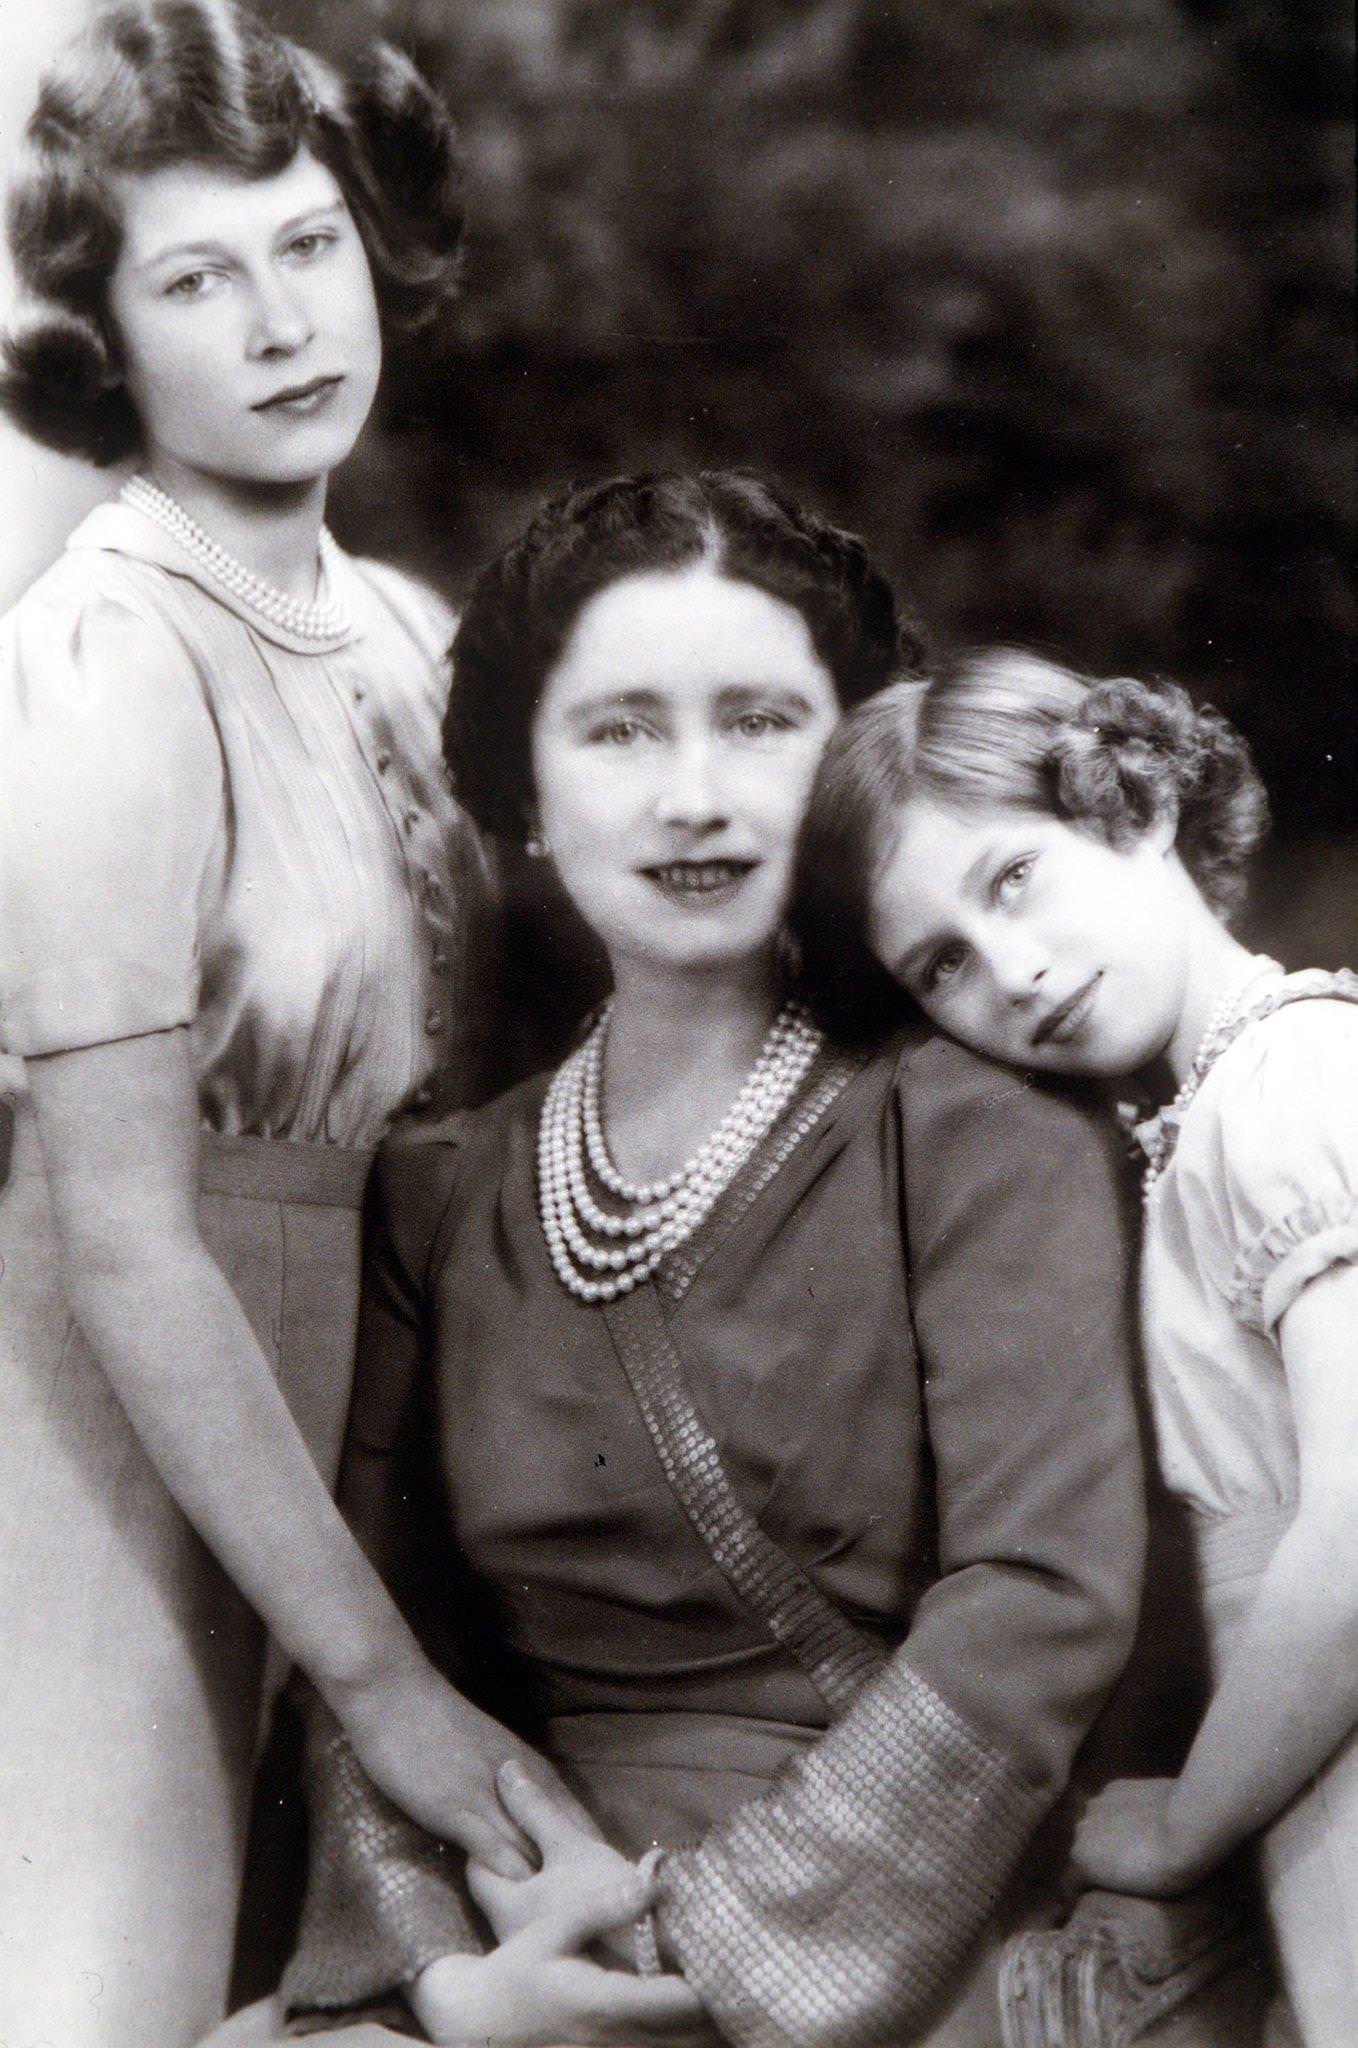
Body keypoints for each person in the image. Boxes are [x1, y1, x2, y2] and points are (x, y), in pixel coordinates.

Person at [219, 473, 1148, 2047]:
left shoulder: (971, 1125)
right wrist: (448, 1988)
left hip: (895, 1942)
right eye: (621, 730)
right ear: (521, 788)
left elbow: (1040, 1608)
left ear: (851, 767)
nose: (693, 796)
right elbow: (381, 1650)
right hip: (525, 1919)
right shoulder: (445, 1185)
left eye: (762, 723)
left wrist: (687, 1971)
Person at [0, 7, 577, 2043]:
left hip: (380, 1389)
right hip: (126, 1408)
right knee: (116, 1980)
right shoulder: (98, 660)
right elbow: (126, 1233)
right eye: (195, 277)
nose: (278, 321)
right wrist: (383, 1677)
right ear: (105, 342)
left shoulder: (412, 635)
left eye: (309, 243)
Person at [795, 649, 1358, 2045]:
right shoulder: (1204, 1118)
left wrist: (1188, 1826)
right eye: (941, 965)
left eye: (1010, 880)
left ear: (1140, 803)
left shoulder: (1285, 1093)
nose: (1012, 972)